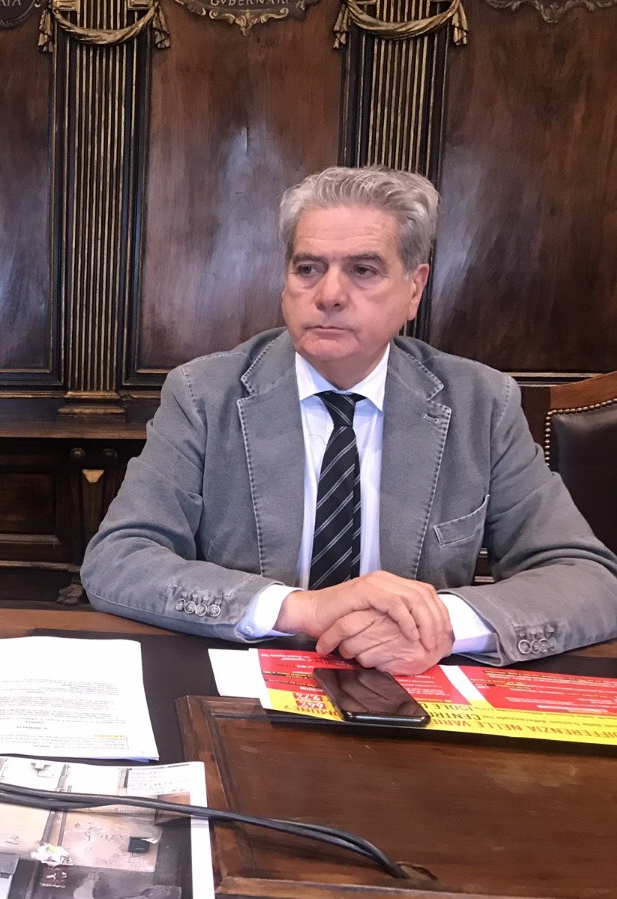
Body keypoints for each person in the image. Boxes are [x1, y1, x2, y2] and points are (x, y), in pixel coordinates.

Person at [81, 166, 617, 675]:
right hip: (246, 680)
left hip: (413, 682)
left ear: (414, 288)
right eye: (308, 269)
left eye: (363, 270)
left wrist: (442, 624)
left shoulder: (480, 403)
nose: (330, 295)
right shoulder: (204, 394)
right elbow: (118, 559)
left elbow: (589, 578)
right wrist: (300, 609)